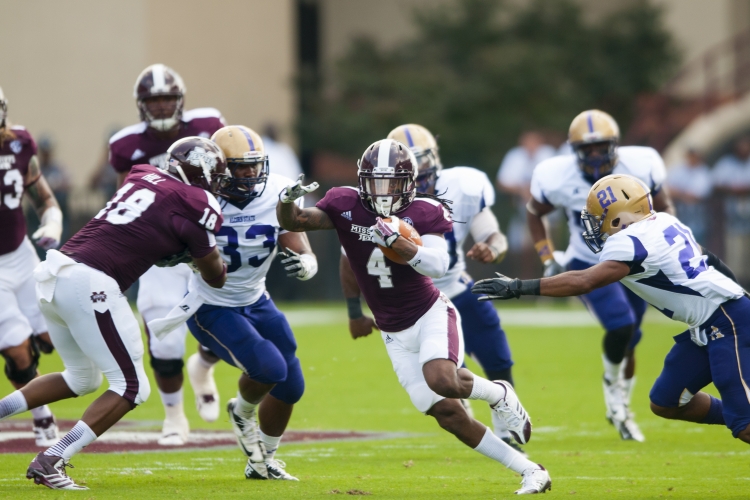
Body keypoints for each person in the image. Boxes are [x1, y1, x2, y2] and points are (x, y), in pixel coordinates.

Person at [277, 138, 551, 495]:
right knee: (449, 415)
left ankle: (499, 393)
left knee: (442, 378)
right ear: (362, 181)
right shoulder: (346, 204)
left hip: (430, 313)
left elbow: (438, 264)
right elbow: (297, 221)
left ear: (409, 183)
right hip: (392, 330)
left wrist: (399, 242)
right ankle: (531, 470)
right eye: (376, 182)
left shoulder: (424, 210)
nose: (383, 192)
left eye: (392, 183)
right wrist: (285, 201)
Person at [0, 136, 227, 490]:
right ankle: (51, 459)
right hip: (91, 283)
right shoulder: (195, 200)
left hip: (54, 275)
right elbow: (214, 275)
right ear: (205, 173)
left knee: (81, 379)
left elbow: (145, 225)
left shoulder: (142, 175)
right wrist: (201, 260)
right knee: (132, 387)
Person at [473, 173, 750, 446]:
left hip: (727, 321)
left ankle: (741, 415)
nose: (596, 227)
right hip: (714, 320)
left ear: (619, 217)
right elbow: (711, 259)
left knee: (745, 426)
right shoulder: (665, 221)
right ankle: (738, 411)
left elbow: (585, 280)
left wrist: (518, 287)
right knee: (666, 401)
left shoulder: (629, 241)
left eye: (599, 219)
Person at [339, 124, 523, 452]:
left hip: (455, 287)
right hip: (410, 301)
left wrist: (492, 249)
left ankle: (504, 422)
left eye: (423, 165)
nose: (420, 175)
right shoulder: (372, 203)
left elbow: (493, 234)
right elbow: (348, 258)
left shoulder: (462, 186)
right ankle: (487, 436)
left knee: (497, 356)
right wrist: (355, 311)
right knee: (447, 378)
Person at [150, 126, 317, 480]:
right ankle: (241, 413)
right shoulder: (198, 198)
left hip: (256, 298)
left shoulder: (276, 191)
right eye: (242, 167)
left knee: (292, 383)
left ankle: (264, 461)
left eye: (256, 166)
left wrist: (306, 265)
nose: (252, 174)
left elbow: (299, 241)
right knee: (269, 368)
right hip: (211, 304)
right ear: (220, 169)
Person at [526, 109, 675, 442]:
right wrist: (547, 256)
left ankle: (620, 403)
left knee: (631, 338)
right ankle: (613, 389)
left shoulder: (641, 166)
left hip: (635, 261)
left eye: (600, 147)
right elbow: (535, 213)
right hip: (587, 262)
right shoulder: (556, 176)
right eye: (586, 149)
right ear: (573, 150)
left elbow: (665, 207)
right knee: (620, 324)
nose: (594, 155)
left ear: (615, 145)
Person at [108, 64, 226, 445]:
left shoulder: (210, 124)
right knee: (165, 339)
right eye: (153, 101)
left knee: (228, 321)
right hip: (160, 250)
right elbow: (124, 197)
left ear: (180, 101)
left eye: (166, 99)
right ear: (142, 105)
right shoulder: (126, 144)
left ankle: (203, 367)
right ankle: (174, 416)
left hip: (208, 237)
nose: (160, 107)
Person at [0, 86, 62, 447]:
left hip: (20, 254)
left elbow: (44, 196)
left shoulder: (20, 143)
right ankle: (42, 417)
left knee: (50, 336)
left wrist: (52, 221)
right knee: (18, 348)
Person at [496, 131, 556, 252]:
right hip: (521, 208)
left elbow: (557, 181)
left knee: (547, 239)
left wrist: (533, 191)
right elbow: (501, 183)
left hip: (548, 207)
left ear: (540, 142)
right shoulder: (515, 155)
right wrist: (521, 190)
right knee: (523, 246)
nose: (530, 145)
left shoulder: (548, 153)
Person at [712, 136, 750, 283]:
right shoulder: (727, 163)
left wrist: (744, 189)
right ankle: (739, 283)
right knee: (735, 252)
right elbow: (714, 184)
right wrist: (732, 189)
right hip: (734, 215)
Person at [666, 148, 712, 243]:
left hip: (697, 218)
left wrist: (678, 193)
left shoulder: (704, 172)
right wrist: (684, 195)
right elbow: (667, 190)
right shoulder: (678, 170)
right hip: (679, 215)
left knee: (697, 245)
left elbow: (697, 196)